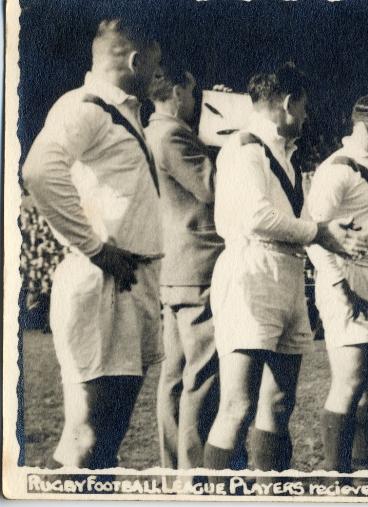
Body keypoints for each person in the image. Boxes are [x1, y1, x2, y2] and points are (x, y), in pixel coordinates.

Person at [202, 64, 368, 472]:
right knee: (237, 405)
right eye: (305, 106)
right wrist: (319, 231)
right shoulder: (243, 148)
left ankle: (269, 490)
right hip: (251, 271)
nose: (308, 116)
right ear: (289, 102)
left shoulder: (287, 158)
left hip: (289, 273)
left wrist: (331, 237)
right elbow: (257, 218)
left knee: (279, 402)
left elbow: (307, 222)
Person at [22, 18, 163, 469]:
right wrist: (96, 247)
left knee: (105, 439)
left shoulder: (123, 113)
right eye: (155, 68)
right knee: (87, 436)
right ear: (136, 61)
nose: (157, 78)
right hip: (103, 281)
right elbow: (40, 171)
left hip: (129, 281)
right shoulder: (85, 106)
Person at [306, 95, 368, 472]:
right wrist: (338, 285)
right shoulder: (336, 169)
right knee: (349, 383)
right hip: (351, 276)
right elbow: (314, 234)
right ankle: (338, 477)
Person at [145, 61, 224, 469]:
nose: (194, 103)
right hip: (199, 267)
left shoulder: (149, 133)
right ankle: (193, 476)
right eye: (191, 94)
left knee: (174, 378)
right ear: (177, 92)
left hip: (174, 269)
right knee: (202, 378)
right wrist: (230, 137)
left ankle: (174, 470)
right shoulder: (173, 133)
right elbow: (213, 188)